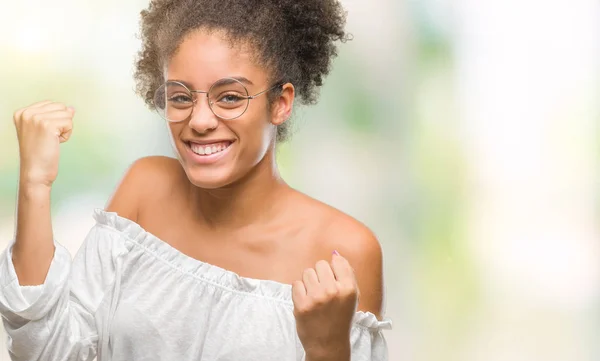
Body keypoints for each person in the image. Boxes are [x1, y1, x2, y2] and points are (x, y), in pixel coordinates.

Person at [0, 0, 392, 360]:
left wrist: (327, 348)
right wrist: (35, 184)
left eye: (230, 97)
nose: (200, 121)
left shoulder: (344, 250)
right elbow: (48, 353)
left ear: (280, 103)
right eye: (181, 97)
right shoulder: (145, 188)